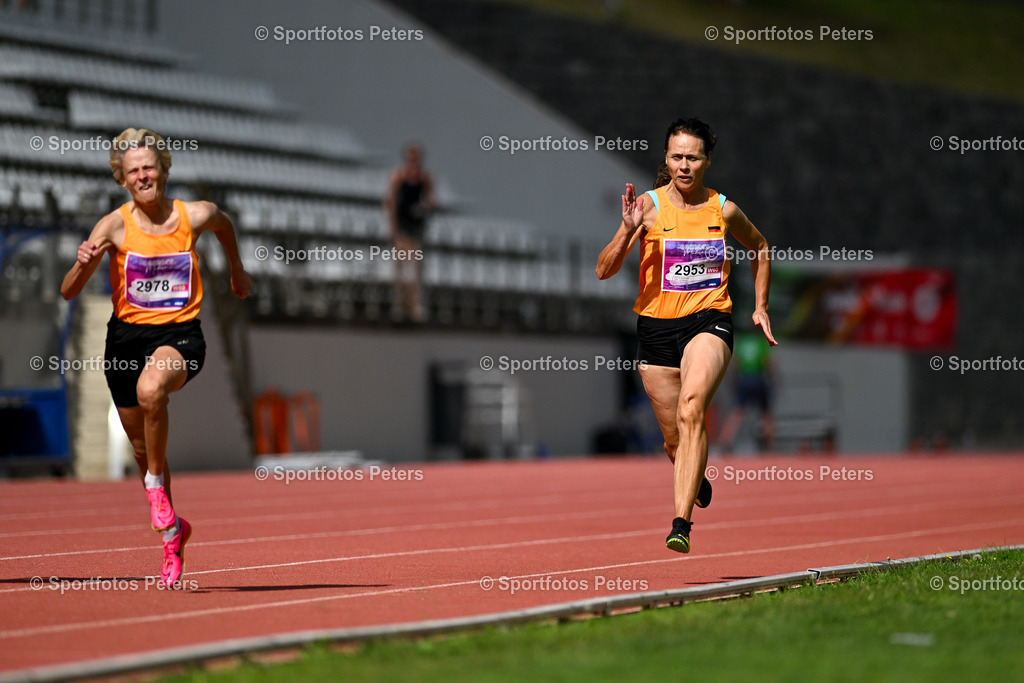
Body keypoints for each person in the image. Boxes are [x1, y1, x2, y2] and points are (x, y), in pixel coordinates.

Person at [61, 128, 252, 587]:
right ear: (123, 181)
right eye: (134, 171)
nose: (143, 175)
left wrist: (237, 272)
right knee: (145, 448)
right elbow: (69, 291)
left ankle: (151, 488)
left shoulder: (195, 215)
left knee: (153, 391)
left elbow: (225, 224)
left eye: (150, 167)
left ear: (165, 170)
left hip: (180, 336)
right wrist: (84, 262)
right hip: (124, 342)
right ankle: (172, 534)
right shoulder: (111, 226)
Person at [596, 117, 777, 553]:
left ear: (707, 160)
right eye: (676, 156)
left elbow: (761, 248)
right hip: (656, 330)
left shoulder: (723, 209)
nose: (684, 165)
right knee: (675, 442)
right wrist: (626, 230)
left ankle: (681, 524)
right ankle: (694, 476)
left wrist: (760, 306)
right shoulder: (648, 207)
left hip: (708, 321)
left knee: (693, 409)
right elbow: (604, 270)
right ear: (666, 158)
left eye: (693, 157)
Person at [384, 144, 434, 321]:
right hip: (402, 225)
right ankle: (399, 303)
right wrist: (393, 227)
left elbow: (431, 200)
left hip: (416, 226)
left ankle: (414, 306)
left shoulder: (425, 178)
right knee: (401, 266)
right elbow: (391, 201)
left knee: (415, 268)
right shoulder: (399, 176)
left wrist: (424, 208)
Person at [718, 330, 775, 452]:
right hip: (758, 379)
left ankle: (725, 441)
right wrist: (773, 380)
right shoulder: (761, 343)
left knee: (737, 412)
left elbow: (735, 365)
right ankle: (768, 444)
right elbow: (768, 363)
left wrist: (733, 382)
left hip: (744, 380)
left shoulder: (742, 343)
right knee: (766, 413)